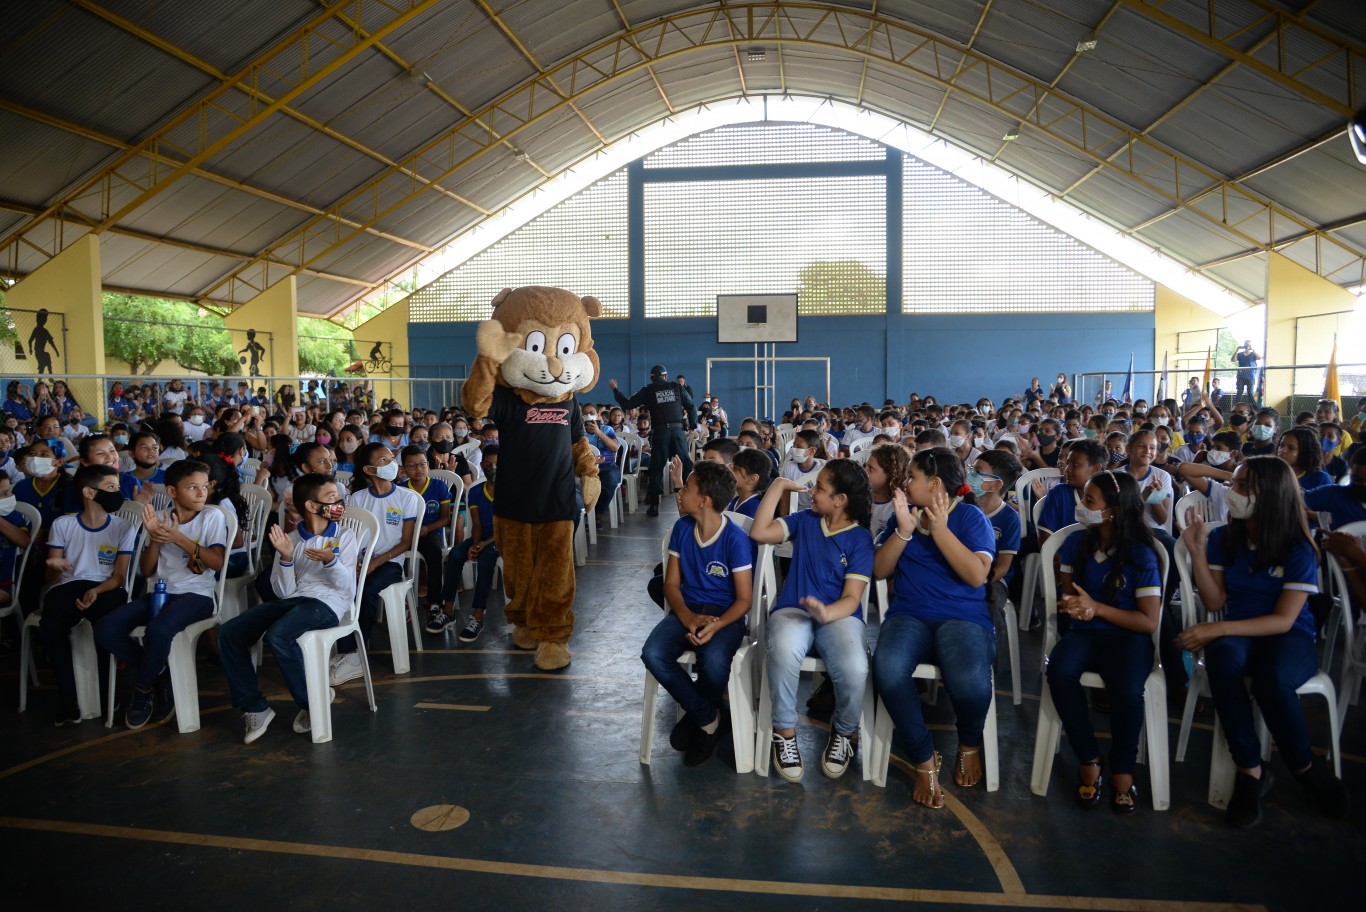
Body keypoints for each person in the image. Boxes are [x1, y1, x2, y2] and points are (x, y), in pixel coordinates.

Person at [1177, 456, 1349, 827]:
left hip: (1291, 637)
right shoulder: (1226, 536)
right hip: (1241, 633)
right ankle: (1251, 769)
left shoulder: (1298, 547)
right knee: (1222, 659)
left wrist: (1217, 629)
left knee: (1272, 679)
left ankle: (1304, 767)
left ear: (1269, 496)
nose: (1232, 493)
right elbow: (1215, 602)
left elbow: (1285, 619)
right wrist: (1196, 554)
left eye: (1241, 487)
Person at [872, 448, 996, 808]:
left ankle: (969, 741)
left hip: (963, 617)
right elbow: (880, 571)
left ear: (936, 483)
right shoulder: (905, 517)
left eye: (912, 476)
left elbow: (976, 575)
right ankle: (924, 759)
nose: (905, 483)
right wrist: (905, 533)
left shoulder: (971, 518)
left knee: (970, 680)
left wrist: (939, 531)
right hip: (909, 614)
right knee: (888, 668)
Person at [750, 462, 873, 782]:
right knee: (784, 649)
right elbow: (759, 531)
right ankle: (784, 732)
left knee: (854, 666)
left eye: (820, 488)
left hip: (839, 615)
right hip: (793, 610)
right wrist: (777, 485)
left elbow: (852, 598)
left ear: (840, 499)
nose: (812, 491)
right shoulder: (804, 521)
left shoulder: (860, 538)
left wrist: (826, 613)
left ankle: (844, 733)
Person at [1049, 471, 1164, 815]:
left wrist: (1097, 608)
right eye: (1083, 498)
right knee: (1059, 672)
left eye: (1090, 500)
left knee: (1127, 690)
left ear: (1113, 509)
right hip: (1085, 631)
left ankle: (1124, 766)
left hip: (1128, 636)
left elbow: (1149, 621)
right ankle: (1088, 756)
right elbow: (1070, 595)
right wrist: (1072, 605)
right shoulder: (1076, 544)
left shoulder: (1140, 554)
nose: (1081, 506)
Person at [217, 473, 359, 742]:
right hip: (296, 600)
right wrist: (284, 557)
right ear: (310, 505)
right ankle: (254, 708)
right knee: (229, 633)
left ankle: (311, 704)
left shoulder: (345, 536)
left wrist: (331, 561)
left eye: (338, 497)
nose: (338, 502)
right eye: (331, 498)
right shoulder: (291, 539)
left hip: (329, 604)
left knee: (279, 635)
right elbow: (283, 593)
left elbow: (346, 589)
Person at [95, 460, 227, 729]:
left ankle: (143, 689)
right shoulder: (162, 518)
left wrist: (178, 538)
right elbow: (147, 570)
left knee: (157, 630)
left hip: (196, 596)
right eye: (192, 487)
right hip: (159, 593)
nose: (201, 493)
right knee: (106, 628)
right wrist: (155, 538)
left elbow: (217, 561)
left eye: (204, 486)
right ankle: (159, 674)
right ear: (172, 491)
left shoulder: (212, 517)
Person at [640, 461, 753, 766]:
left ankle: (699, 720)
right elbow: (671, 584)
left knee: (715, 661)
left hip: (724, 615)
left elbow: (744, 600)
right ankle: (708, 717)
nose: (681, 493)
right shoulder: (682, 528)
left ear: (704, 501)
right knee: (652, 653)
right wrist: (687, 617)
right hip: (687, 610)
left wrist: (717, 626)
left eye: (686, 488)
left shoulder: (735, 539)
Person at [40, 464, 136, 725]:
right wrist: (53, 568)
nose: (118, 493)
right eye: (111, 487)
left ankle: (108, 693)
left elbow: (119, 577)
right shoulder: (63, 524)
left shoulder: (123, 527)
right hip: (68, 585)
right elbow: (51, 577)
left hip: (106, 586)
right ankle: (68, 701)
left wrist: (96, 590)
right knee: (51, 626)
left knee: (105, 626)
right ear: (89, 492)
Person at [328, 443, 422, 686]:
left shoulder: (407, 498)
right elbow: (348, 537)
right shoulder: (357, 499)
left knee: (367, 591)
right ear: (369, 469)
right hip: (362, 561)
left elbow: (406, 542)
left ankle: (355, 657)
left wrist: (376, 562)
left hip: (391, 562)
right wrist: (356, 562)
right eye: (383, 460)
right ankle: (347, 652)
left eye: (391, 458)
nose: (392, 463)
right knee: (342, 587)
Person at [610, 364, 696, 516]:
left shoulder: (648, 390)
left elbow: (628, 404)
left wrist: (615, 390)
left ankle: (654, 505)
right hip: (677, 431)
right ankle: (692, 498)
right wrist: (693, 424)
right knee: (686, 464)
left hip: (661, 432)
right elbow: (691, 405)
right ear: (666, 376)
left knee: (656, 467)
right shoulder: (676, 387)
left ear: (651, 377)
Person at [398, 446, 451, 632]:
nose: (418, 469)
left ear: (428, 465)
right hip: (405, 535)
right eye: (412, 466)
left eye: (422, 464)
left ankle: (434, 604)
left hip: (430, 533)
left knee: (434, 554)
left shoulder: (438, 486)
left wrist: (427, 528)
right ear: (403, 469)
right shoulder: (401, 489)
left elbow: (445, 518)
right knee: (390, 553)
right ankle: (401, 601)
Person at [780, 429, 825, 512]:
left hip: (815, 511)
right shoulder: (789, 467)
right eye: (794, 445)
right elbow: (785, 496)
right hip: (795, 511)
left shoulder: (821, 469)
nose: (794, 449)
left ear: (812, 451)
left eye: (799, 447)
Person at [1277, 426, 1332, 491]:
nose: (1283, 450)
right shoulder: (1270, 474)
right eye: (1281, 445)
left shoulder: (1320, 479)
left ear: (1305, 451)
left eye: (1291, 448)